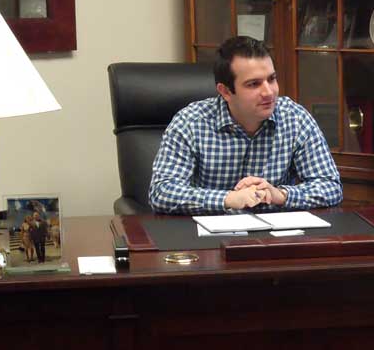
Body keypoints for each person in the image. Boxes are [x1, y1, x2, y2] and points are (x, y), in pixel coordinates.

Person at [147, 35, 343, 215]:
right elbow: (161, 192)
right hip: (210, 240)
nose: (269, 92)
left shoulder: (295, 118)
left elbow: (330, 186)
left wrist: (280, 194)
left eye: (272, 79)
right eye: (253, 84)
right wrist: (228, 199)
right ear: (225, 91)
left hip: (275, 239)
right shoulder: (190, 123)